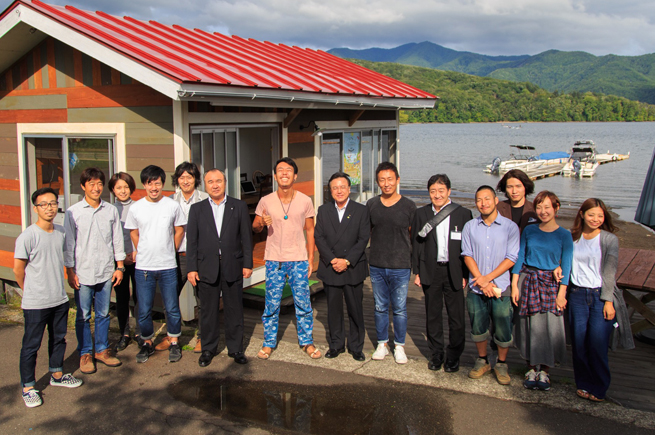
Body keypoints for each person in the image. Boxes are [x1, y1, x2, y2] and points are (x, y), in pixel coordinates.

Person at [15, 187, 83, 408]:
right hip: (35, 303)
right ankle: (28, 386)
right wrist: (29, 290)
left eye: (53, 203)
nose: (49, 208)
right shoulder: (28, 236)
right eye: (43, 204)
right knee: (31, 345)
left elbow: (65, 261)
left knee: (59, 339)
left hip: (59, 299)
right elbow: (18, 270)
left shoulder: (62, 232)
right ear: (35, 208)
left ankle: (56, 374)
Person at [252, 157, 320, 360]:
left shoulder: (305, 200)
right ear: (275, 176)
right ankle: (268, 342)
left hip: (298, 260)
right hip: (274, 260)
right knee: (271, 303)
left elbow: (310, 230)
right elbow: (255, 227)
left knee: (303, 303)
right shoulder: (266, 201)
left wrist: (310, 258)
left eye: (288, 170)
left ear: (295, 175)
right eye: (280, 170)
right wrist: (261, 223)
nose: (284, 173)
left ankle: (306, 341)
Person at [568, 198, 633, 402]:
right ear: (582, 215)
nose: (596, 219)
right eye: (591, 215)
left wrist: (608, 301)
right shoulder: (572, 237)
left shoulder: (608, 239)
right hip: (577, 294)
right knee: (579, 344)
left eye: (600, 215)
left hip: (599, 296)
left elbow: (609, 270)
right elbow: (565, 260)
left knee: (597, 344)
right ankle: (583, 383)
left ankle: (599, 386)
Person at [187, 169, 253, 367]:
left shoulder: (238, 206)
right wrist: (192, 268)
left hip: (233, 264)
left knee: (234, 309)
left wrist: (248, 263)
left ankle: (236, 349)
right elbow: (192, 242)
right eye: (210, 182)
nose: (215, 185)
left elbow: (246, 239)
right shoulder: (197, 209)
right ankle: (208, 348)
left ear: (225, 182)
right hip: (206, 267)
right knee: (207, 311)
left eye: (218, 181)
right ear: (205, 185)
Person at [64, 168, 125, 374]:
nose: (96, 188)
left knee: (103, 313)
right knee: (82, 315)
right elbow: (69, 243)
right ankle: (85, 353)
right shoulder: (73, 212)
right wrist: (70, 271)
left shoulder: (110, 210)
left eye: (99, 183)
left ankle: (101, 350)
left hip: (106, 271)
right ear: (83, 186)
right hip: (83, 272)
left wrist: (119, 266)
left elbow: (117, 239)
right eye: (91, 184)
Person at [511, 190, 573, 391]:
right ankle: (530, 368)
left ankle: (545, 371)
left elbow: (567, 264)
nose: (543, 211)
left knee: (549, 327)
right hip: (528, 280)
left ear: (556, 208)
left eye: (547, 207)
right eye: (539, 207)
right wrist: (514, 284)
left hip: (551, 284)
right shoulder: (529, 230)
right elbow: (521, 256)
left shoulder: (564, 235)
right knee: (528, 325)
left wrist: (562, 293)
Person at [125, 165, 186, 364]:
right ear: (144, 185)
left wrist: (171, 249)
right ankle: (147, 342)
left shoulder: (172, 205)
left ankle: (174, 341)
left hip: (168, 265)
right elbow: (133, 232)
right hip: (144, 267)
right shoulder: (135, 207)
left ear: (162, 184)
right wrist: (142, 249)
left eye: (157, 183)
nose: (154, 187)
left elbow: (179, 230)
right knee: (144, 308)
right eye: (150, 183)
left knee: (172, 306)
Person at [412, 174, 472, 372]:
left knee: (456, 317)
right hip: (431, 270)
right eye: (432, 191)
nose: (437, 195)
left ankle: (454, 356)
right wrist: (417, 271)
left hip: (454, 270)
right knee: (433, 315)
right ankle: (436, 354)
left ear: (449, 191)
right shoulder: (421, 214)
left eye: (441, 191)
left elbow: (467, 248)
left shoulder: (463, 214)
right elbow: (416, 245)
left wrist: (466, 274)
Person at [461, 186, 520, 384]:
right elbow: (467, 254)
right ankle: (483, 360)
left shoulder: (510, 227)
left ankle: (502, 364)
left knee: (503, 325)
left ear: (496, 200)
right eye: (479, 199)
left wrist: (489, 278)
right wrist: (481, 279)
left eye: (487, 199)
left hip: (501, 286)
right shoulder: (470, 226)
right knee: (478, 325)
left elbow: (511, 257)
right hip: (477, 286)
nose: (483, 203)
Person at [315, 172, 370, 361]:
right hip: (331, 267)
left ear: (349, 189)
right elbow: (319, 238)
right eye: (334, 188)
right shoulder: (323, 211)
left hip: (352, 267)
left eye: (342, 187)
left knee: (355, 309)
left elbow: (363, 239)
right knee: (333, 310)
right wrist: (332, 260)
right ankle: (336, 344)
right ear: (330, 191)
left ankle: (356, 347)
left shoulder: (361, 210)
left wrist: (346, 261)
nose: (339, 191)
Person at [368, 162, 416, 364]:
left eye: (390, 179)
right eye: (382, 180)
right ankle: (382, 343)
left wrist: (414, 264)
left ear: (397, 180)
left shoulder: (409, 206)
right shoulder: (372, 204)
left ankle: (399, 346)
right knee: (380, 306)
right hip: (377, 264)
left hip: (401, 265)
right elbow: (366, 233)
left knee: (399, 308)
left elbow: (413, 236)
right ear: (377, 182)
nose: (386, 184)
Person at [160, 162, 209, 353]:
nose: (186, 181)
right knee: (170, 298)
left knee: (203, 299)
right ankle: (173, 336)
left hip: (200, 257)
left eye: (189, 176)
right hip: (176, 256)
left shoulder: (206, 199)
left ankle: (202, 337)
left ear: (196, 179)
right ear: (177, 180)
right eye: (182, 177)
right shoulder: (170, 201)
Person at [109, 172, 140, 351]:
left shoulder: (138, 207)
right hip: (118, 261)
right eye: (119, 187)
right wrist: (120, 256)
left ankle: (140, 332)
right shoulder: (110, 209)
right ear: (113, 189)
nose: (123, 191)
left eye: (126, 187)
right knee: (121, 298)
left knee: (139, 297)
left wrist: (135, 252)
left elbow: (143, 232)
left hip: (138, 258)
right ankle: (124, 333)